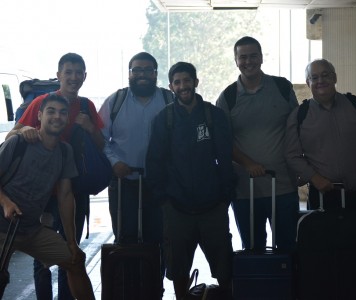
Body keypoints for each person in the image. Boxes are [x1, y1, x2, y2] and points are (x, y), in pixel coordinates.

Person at [6, 53, 104, 300]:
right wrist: (26, 129)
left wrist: (89, 127)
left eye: (78, 72)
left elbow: (102, 145)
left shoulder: (86, 107)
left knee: (72, 255)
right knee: (41, 262)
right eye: (67, 72)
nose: (73, 77)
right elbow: (13, 135)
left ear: (84, 76)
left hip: (70, 187)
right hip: (38, 199)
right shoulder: (42, 102)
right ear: (59, 75)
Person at [284, 59, 356, 299]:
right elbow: (292, 155)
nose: (321, 81)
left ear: (335, 77)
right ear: (308, 83)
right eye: (314, 77)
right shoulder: (300, 114)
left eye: (325, 75)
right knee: (324, 265)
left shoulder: (354, 104)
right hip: (324, 199)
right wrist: (314, 178)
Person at [146, 62, 234, 300]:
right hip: (176, 208)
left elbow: (226, 158)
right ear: (171, 86)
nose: (183, 86)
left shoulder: (213, 115)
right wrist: (164, 200)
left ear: (196, 82)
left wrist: (225, 196)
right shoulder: (164, 119)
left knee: (225, 264)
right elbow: (154, 162)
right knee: (178, 267)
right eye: (177, 82)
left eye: (187, 81)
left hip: (212, 207)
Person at [216, 36, 299, 251]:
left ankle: (288, 286)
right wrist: (248, 163)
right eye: (243, 57)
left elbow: (297, 130)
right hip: (245, 190)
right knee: (253, 250)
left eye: (253, 56)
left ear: (261, 58)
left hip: (283, 185)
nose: (248, 61)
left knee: (288, 249)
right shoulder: (228, 97)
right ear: (236, 60)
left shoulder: (282, 88)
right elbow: (222, 142)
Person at [99, 52, 172, 245]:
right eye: (137, 70)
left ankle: (155, 276)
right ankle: (127, 277)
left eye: (148, 70)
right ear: (129, 73)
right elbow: (100, 138)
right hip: (124, 184)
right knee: (125, 238)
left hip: (160, 184)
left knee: (160, 239)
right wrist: (114, 162)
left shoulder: (169, 99)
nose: (142, 75)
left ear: (156, 74)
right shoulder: (115, 101)